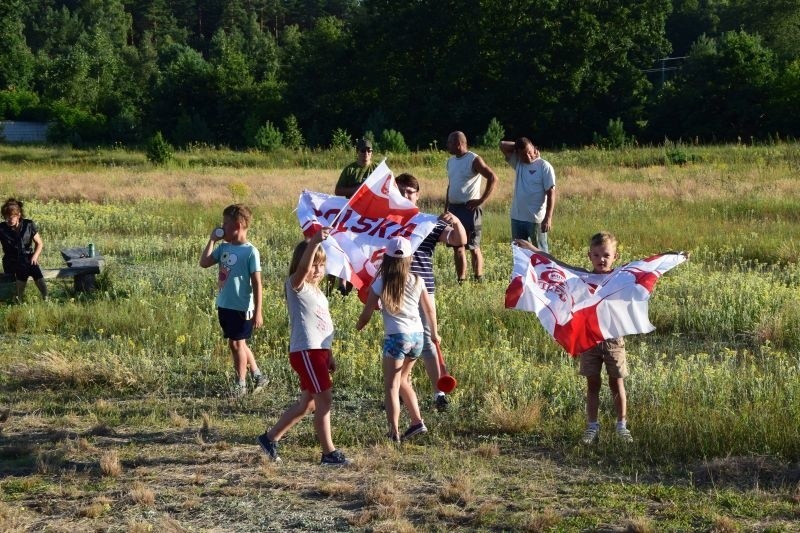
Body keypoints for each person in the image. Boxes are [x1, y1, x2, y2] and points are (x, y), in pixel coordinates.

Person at [515, 232, 633, 444]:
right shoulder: (583, 277)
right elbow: (559, 264)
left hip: (614, 340)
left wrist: (674, 256)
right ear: (590, 256)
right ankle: (592, 426)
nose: (601, 259)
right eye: (596, 255)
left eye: (606, 255)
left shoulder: (620, 277)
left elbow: (646, 267)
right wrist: (533, 250)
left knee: (617, 383)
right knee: (592, 383)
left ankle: (621, 425)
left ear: (616, 256)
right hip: (589, 341)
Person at [257, 228, 351, 466]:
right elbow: (302, 270)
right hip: (306, 352)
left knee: (308, 404)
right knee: (325, 399)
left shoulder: (319, 294)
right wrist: (315, 242)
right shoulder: (296, 286)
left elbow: (322, 325)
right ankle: (328, 453)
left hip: (318, 353)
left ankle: (270, 439)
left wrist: (329, 354)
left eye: (322, 265)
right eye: (313, 265)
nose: (317, 270)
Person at [356, 236, 440, 442]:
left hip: (396, 338)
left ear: (386, 258)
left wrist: (359, 326)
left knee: (392, 385)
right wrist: (435, 333)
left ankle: (394, 432)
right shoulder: (417, 280)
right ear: (409, 259)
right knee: (403, 380)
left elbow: (367, 311)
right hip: (417, 337)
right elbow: (429, 309)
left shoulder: (380, 282)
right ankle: (416, 421)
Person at [396, 173, 466, 411]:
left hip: (423, 287)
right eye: (401, 191)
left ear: (417, 195)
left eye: (410, 192)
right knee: (400, 339)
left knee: (428, 340)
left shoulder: (427, 222)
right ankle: (400, 386)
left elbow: (458, 240)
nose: (405, 196)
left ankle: (440, 393)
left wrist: (455, 221)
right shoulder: (388, 220)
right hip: (396, 289)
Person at [199, 204, 267, 398]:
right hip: (225, 304)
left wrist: (258, 311)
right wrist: (212, 240)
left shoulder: (250, 252)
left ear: (237, 226)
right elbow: (204, 263)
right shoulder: (223, 248)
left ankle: (241, 384)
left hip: (242, 307)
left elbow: (257, 283)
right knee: (238, 343)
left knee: (237, 345)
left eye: (225, 224)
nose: (221, 227)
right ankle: (258, 375)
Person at [445, 131, 498, 283]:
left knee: (473, 246)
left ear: (458, 144)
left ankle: (478, 278)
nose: (447, 145)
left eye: (449, 143)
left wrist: (480, 200)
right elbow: (450, 186)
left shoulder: (473, 159)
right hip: (454, 210)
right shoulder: (450, 161)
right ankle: (461, 280)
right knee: (457, 246)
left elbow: (493, 177)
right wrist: (446, 209)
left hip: (470, 209)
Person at [500, 137, 556, 252]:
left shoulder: (544, 166)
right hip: (517, 218)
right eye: (524, 154)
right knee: (519, 253)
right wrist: (519, 146)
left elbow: (551, 192)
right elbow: (502, 144)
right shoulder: (518, 163)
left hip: (536, 219)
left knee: (541, 253)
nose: (528, 157)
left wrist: (548, 218)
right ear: (518, 154)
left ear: (535, 149)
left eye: (530, 152)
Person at [0, 198, 48, 302]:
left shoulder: (28, 224)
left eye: (11, 216)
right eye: (6, 217)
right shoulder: (1, 228)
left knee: (35, 269)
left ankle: (46, 297)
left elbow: (39, 243)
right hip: (11, 260)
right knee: (23, 268)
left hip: (28, 256)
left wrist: (35, 256)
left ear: (18, 215)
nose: (8, 219)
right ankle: (18, 298)